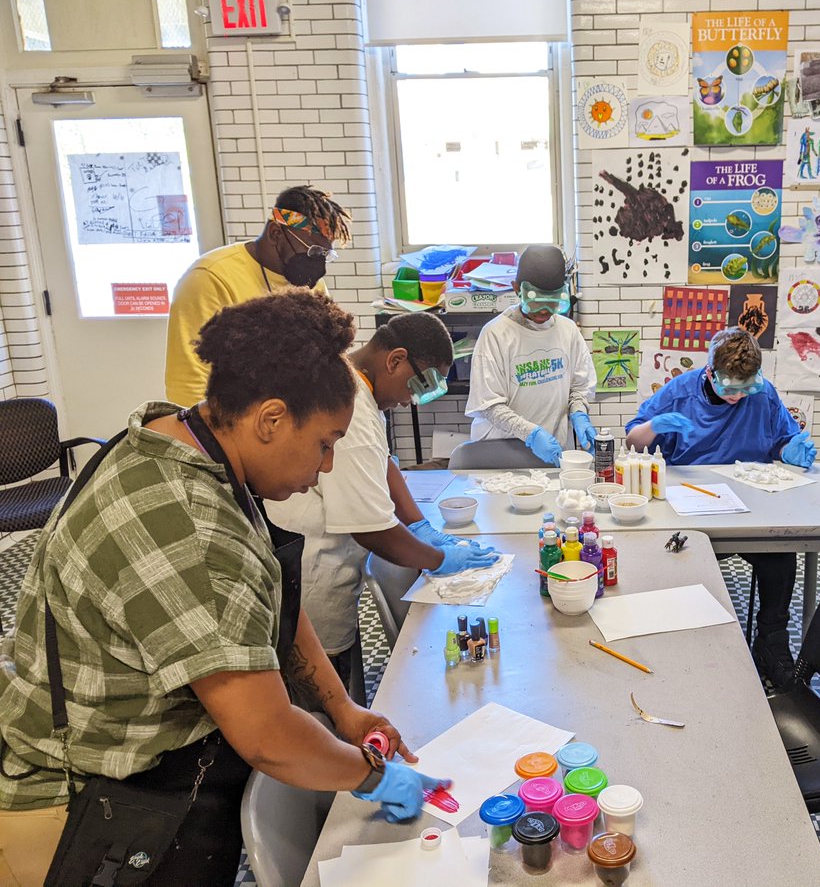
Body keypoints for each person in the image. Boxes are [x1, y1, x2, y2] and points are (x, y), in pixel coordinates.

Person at [0, 292, 446, 886]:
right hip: (84, 807)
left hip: (151, 769)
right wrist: (374, 775)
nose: (328, 466)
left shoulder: (184, 436)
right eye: (324, 443)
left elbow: (270, 598)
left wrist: (341, 708)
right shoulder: (188, 525)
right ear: (271, 419)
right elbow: (268, 737)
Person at [265, 312, 498, 698]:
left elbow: (384, 463)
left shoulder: (357, 388)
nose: (411, 401)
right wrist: (437, 560)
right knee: (323, 702)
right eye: (419, 385)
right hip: (315, 575)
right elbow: (371, 527)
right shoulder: (352, 409)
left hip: (326, 569)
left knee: (340, 687)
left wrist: (421, 525)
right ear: (395, 360)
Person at [625, 327, 817, 686]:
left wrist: (788, 449)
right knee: (673, 564)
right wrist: (654, 425)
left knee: (781, 552)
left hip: (751, 507)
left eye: (747, 388)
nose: (738, 396)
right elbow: (633, 441)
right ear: (709, 373)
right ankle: (685, 642)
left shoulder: (763, 396)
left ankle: (771, 640)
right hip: (689, 508)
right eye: (729, 388)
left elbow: (781, 439)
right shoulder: (680, 393)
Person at [165, 185, 352, 407]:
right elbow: (189, 387)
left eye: (325, 254)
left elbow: (327, 359)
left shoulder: (311, 285)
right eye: (313, 251)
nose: (318, 263)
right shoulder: (211, 278)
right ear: (275, 234)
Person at [465, 245, 597, 465]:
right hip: (501, 454)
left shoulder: (568, 330)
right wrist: (531, 434)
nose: (545, 309)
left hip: (551, 452)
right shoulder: (496, 334)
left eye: (553, 300)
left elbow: (579, 388)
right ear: (516, 288)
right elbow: (489, 405)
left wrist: (579, 413)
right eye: (537, 300)